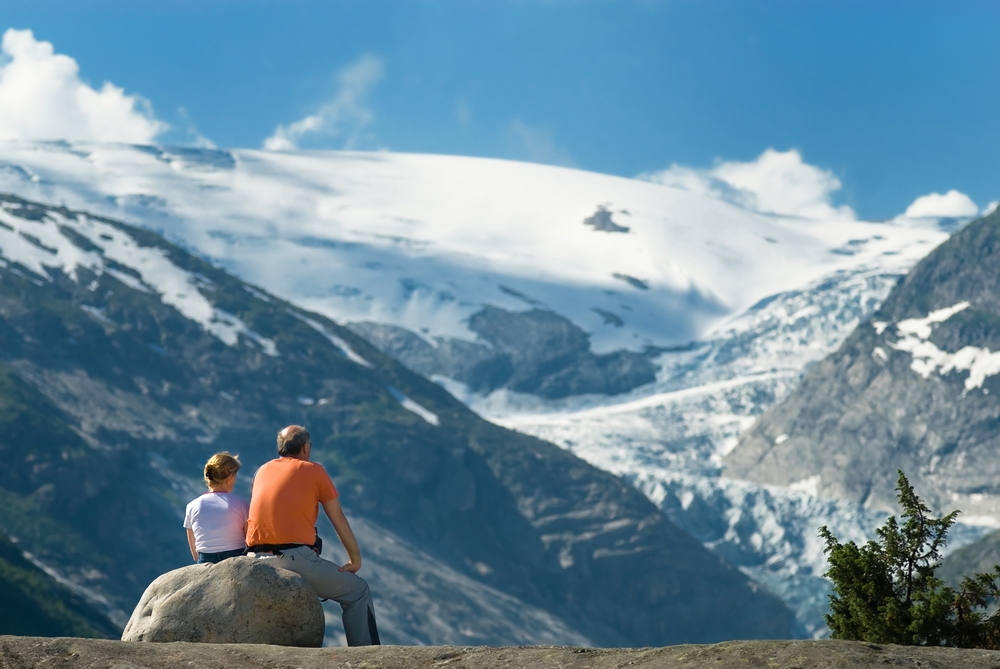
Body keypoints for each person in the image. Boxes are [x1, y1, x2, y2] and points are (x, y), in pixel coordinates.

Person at [246, 425, 380, 646]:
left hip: (253, 560)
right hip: (292, 558)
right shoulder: (313, 470)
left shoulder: (261, 471)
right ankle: (366, 655)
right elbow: (338, 518)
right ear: (306, 447)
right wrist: (355, 560)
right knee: (357, 591)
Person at [184, 452, 250, 564]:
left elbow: (195, 554)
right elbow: (249, 541)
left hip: (205, 560)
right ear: (229, 479)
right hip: (236, 559)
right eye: (235, 475)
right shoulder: (242, 504)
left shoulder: (192, 506)